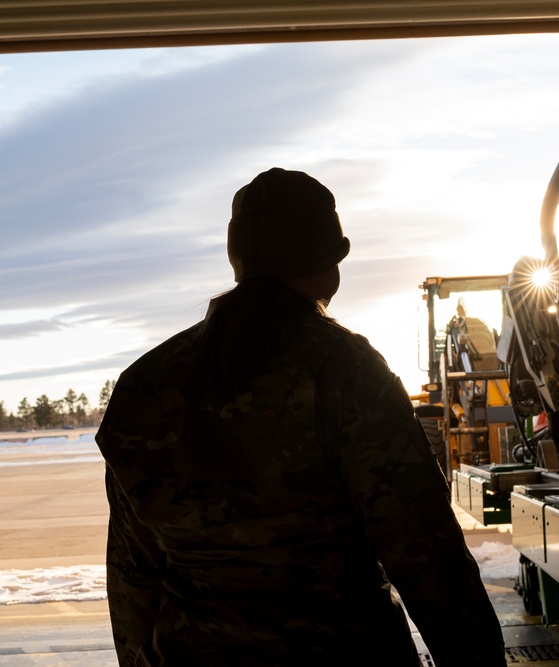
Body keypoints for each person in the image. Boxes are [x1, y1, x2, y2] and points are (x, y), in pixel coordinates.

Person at [96, 167, 506, 666]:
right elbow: (425, 553)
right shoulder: (345, 370)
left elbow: (132, 572)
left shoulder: (147, 385)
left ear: (238, 262)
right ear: (325, 265)